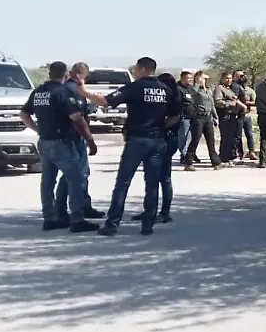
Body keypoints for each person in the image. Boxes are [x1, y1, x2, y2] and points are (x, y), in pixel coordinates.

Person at [82, 57, 181, 236]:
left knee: (123, 183)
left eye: (136, 69)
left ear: (142, 69)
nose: (135, 72)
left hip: (137, 140)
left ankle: (112, 224)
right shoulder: (165, 89)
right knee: (152, 185)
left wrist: (84, 92)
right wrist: (161, 126)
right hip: (158, 140)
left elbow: (105, 101)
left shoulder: (135, 87)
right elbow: (175, 115)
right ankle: (148, 226)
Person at [19, 61, 99, 233]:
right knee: (76, 178)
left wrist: (37, 129)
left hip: (44, 141)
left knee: (48, 181)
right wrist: (90, 140)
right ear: (65, 74)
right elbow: (77, 118)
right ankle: (77, 219)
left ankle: (50, 218)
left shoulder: (38, 92)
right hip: (61, 142)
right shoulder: (62, 92)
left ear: (49, 73)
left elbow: (24, 114)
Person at [135, 73, 183, 225]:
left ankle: (163, 212)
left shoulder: (171, 99)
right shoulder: (172, 97)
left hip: (167, 139)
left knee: (162, 178)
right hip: (168, 138)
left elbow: (174, 118)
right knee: (154, 177)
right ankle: (151, 210)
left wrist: (158, 126)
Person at [185, 72, 225, 170]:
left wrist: (215, 117)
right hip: (198, 117)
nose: (205, 80)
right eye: (204, 78)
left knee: (211, 141)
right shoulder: (195, 89)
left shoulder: (208, 90)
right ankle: (188, 162)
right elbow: (192, 93)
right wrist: (198, 82)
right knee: (195, 140)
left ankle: (216, 162)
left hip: (208, 118)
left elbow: (212, 104)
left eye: (206, 79)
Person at [213, 72, 244, 165]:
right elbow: (218, 101)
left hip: (233, 116)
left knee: (231, 137)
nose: (229, 80)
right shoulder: (220, 88)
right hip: (225, 115)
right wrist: (231, 104)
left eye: (230, 78)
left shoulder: (229, 89)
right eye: (227, 78)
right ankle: (223, 157)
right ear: (222, 79)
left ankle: (229, 156)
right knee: (226, 137)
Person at [232, 70, 258, 163]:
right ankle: (240, 153)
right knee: (237, 135)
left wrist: (245, 103)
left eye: (242, 76)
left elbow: (256, 102)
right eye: (238, 75)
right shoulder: (232, 88)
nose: (240, 77)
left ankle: (252, 152)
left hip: (247, 115)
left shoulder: (250, 90)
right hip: (237, 115)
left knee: (249, 134)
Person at [177, 71, 195, 165]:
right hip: (183, 116)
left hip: (193, 116)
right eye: (188, 78)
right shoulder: (178, 89)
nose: (190, 80)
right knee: (184, 137)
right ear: (182, 78)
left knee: (191, 137)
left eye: (191, 78)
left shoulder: (191, 88)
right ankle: (183, 155)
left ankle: (190, 155)